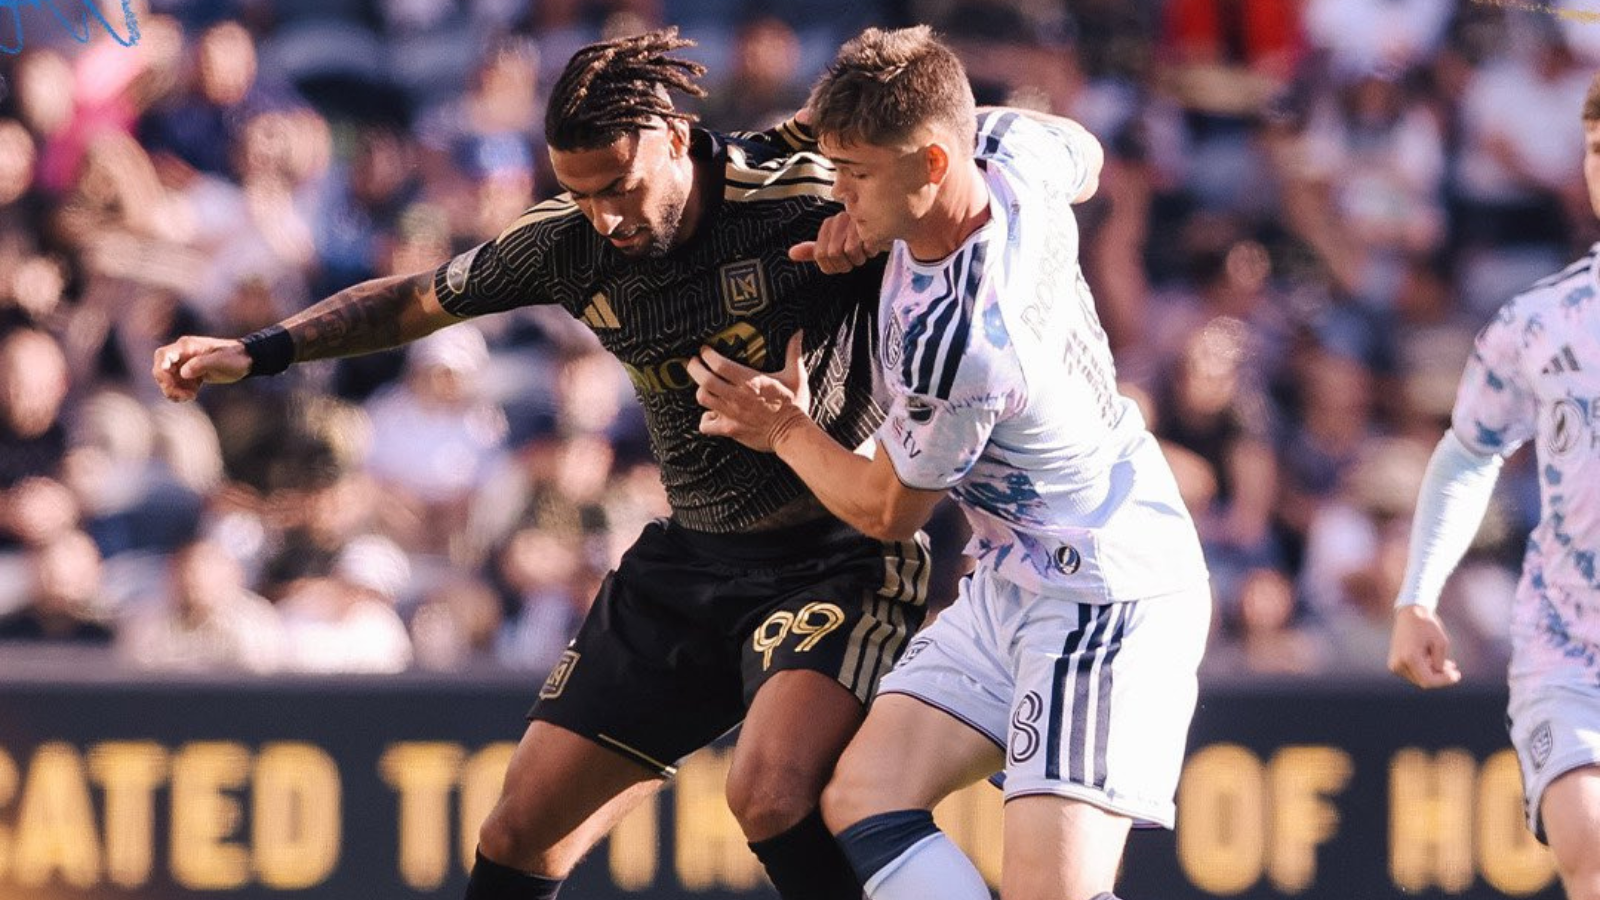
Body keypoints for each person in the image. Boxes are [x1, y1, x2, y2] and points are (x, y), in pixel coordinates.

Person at [152, 29, 931, 900]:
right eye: (581, 193)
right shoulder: (564, 241)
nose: (606, 215)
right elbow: (416, 300)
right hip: (687, 564)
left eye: (621, 188)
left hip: (831, 555)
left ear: (675, 136)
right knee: (518, 832)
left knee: (771, 796)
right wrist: (260, 350)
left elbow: (958, 173)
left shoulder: (804, 193)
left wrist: (877, 227)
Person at [689, 26, 1211, 900]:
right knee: (862, 798)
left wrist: (783, 428)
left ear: (930, 166)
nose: (838, 191)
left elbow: (889, 510)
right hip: (1018, 574)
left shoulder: (962, 338)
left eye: (855, 173)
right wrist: (877, 218)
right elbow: (1079, 150)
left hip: (1103, 596)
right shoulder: (1005, 151)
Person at [1387, 73, 1600, 900]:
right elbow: (1470, 452)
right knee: (1590, 843)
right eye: (1592, 150)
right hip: (1569, 648)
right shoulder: (1537, 323)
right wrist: (1417, 595)